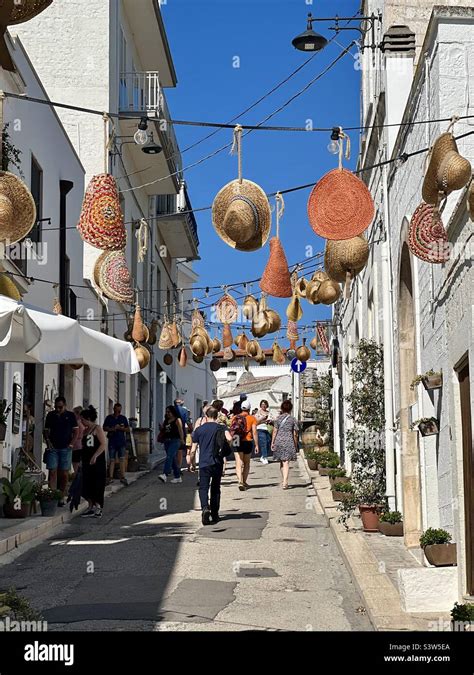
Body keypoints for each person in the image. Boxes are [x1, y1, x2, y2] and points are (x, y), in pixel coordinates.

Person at [191, 406, 233, 525]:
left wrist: (192, 463)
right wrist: (224, 447)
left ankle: (205, 508)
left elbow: (193, 450)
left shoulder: (199, 430)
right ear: (216, 416)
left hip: (204, 463)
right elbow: (230, 438)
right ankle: (215, 514)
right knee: (215, 488)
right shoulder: (221, 427)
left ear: (206, 416)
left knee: (203, 487)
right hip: (217, 462)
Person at [44, 396, 79, 506]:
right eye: (56, 407)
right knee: (53, 471)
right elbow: (46, 430)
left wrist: (72, 444)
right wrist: (48, 442)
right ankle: (52, 496)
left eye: (60, 407)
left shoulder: (70, 416)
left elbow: (76, 431)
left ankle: (61, 495)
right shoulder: (51, 415)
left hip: (66, 447)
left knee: (64, 473)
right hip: (53, 447)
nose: (58, 409)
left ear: (65, 406)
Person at [80, 406, 107, 518]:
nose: (81, 422)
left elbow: (103, 444)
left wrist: (95, 455)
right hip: (86, 460)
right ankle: (90, 506)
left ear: (88, 418)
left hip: (97, 461)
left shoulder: (97, 428)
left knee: (97, 483)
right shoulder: (85, 431)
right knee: (87, 484)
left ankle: (98, 506)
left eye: (83, 419)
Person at [231, 400, 259, 491]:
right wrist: (256, 445)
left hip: (236, 440)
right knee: (246, 463)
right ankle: (244, 481)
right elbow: (254, 432)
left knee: (238, 463)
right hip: (247, 440)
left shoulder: (235, 417)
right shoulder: (252, 418)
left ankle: (240, 481)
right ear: (249, 408)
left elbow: (232, 430)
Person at [271, 400, 299, 490]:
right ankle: (285, 482)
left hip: (278, 440)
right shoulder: (293, 419)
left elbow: (274, 431)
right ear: (290, 409)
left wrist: (272, 442)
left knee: (282, 462)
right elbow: (295, 434)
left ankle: (284, 480)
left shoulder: (278, 419)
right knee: (286, 462)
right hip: (288, 440)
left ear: (282, 408)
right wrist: (295, 444)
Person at [103, 403, 130, 485]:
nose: (118, 412)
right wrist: (112, 429)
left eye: (119, 410)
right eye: (116, 410)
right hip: (112, 441)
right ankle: (110, 477)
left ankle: (122, 477)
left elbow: (128, 429)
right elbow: (104, 427)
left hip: (121, 441)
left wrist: (121, 428)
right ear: (113, 409)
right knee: (112, 459)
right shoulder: (109, 418)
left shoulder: (123, 418)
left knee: (122, 459)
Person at [158, 406, 185, 484]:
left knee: (169, 456)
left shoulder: (177, 420)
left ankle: (165, 474)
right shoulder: (166, 420)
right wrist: (161, 428)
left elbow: (180, 430)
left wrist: (182, 439)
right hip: (167, 440)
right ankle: (177, 476)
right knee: (172, 459)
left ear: (173, 412)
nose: (167, 413)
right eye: (166, 412)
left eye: (169, 412)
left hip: (175, 440)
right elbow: (164, 429)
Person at [211, 399, 229, 475]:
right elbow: (228, 423)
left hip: (213, 432)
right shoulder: (223, 415)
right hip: (222, 433)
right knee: (222, 451)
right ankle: (223, 469)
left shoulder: (211, 414)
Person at [174, 398, 192, 472]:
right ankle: (178, 467)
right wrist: (191, 429)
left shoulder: (170, 410)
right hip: (181, 432)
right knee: (180, 450)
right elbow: (188, 421)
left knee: (172, 450)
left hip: (170, 432)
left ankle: (173, 466)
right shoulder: (184, 411)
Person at [255, 399, 272, 465]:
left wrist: (270, 421)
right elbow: (256, 422)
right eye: (262, 404)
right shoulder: (258, 413)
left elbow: (273, 420)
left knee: (268, 443)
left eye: (265, 404)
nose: (263, 406)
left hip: (268, 429)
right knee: (263, 443)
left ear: (267, 405)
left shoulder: (269, 413)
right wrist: (262, 419)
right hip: (260, 429)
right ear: (260, 405)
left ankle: (263, 456)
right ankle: (265, 457)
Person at [72, 406, 86, 476]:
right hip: (81, 445)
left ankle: (76, 480)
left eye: (73, 413)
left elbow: (77, 435)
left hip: (76, 446)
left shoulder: (77, 423)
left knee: (75, 465)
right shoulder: (83, 423)